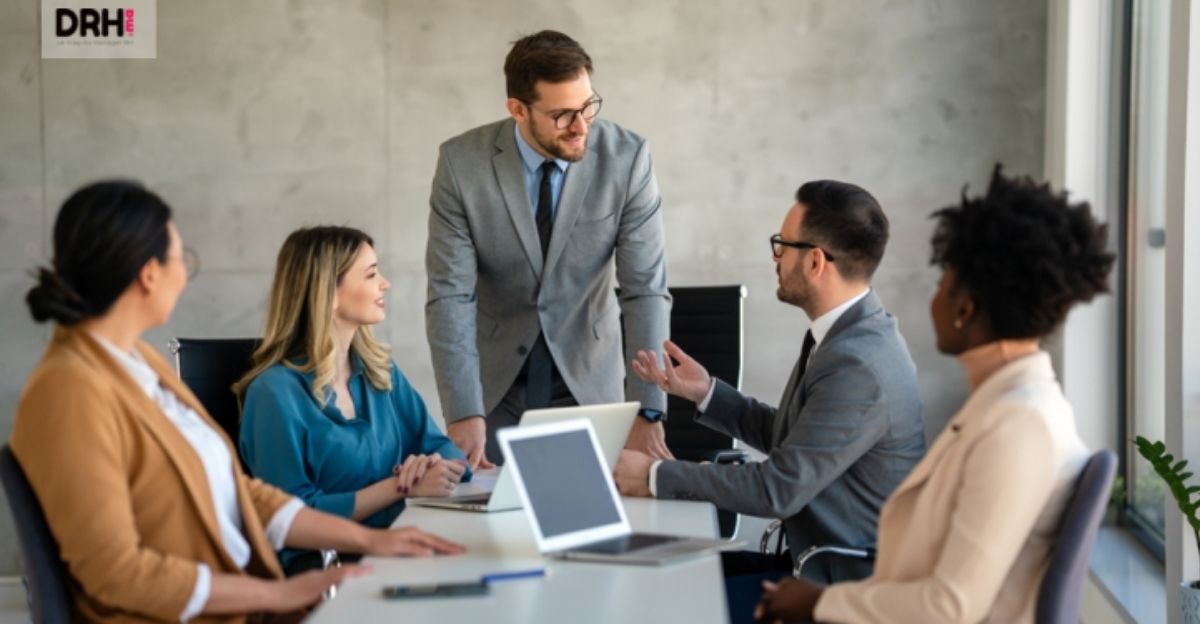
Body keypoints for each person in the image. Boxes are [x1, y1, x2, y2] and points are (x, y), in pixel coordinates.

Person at [11, 181, 463, 623]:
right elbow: (116, 573)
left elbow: (240, 494)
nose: (186, 273)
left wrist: (373, 542)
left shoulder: (138, 362)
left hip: (247, 597)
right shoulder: (70, 389)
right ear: (149, 275)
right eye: (180, 258)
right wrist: (277, 593)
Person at [754, 166, 1116, 623]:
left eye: (943, 279)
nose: (934, 296)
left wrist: (817, 602)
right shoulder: (1010, 407)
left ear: (965, 308)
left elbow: (947, 608)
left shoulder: (1019, 427)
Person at [615, 180, 926, 619]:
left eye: (782, 245)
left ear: (815, 261)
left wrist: (654, 475)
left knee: (663, 600)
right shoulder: (848, 334)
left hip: (839, 583)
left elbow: (778, 489)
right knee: (659, 576)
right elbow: (797, 441)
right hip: (809, 563)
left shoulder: (858, 363)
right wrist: (706, 393)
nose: (775, 257)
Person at [425, 30, 671, 468]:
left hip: (588, 379)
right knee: (494, 527)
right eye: (562, 115)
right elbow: (450, 296)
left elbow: (644, 290)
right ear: (518, 110)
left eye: (588, 106)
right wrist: (464, 409)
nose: (581, 127)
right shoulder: (461, 165)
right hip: (494, 385)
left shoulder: (627, 159)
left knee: (586, 525)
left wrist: (648, 408)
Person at [235, 226, 469, 575]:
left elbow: (447, 451)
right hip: (326, 566)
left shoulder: (380, 372)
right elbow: (290, 516)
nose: (385, 283)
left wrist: (431, 464)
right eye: (372, 274)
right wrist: (399, 487)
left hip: (399, 546)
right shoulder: (273, 394)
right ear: (327, 292)